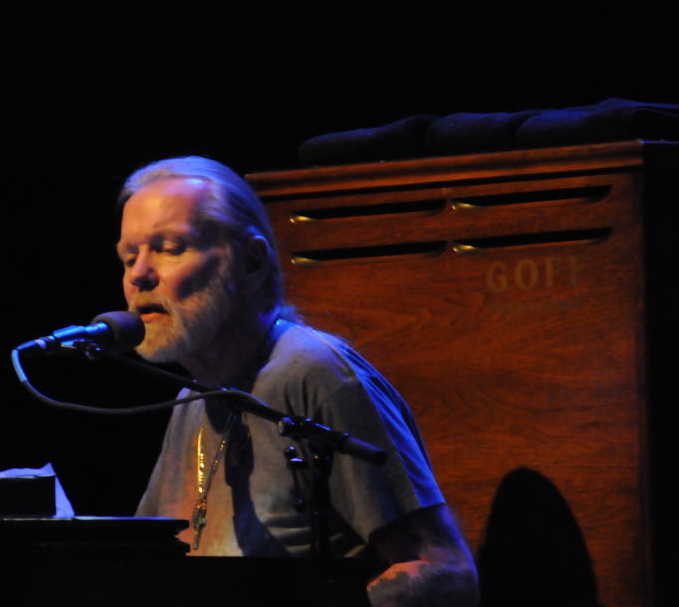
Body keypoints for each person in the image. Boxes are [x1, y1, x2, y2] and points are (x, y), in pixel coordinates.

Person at [117, 156, 479, 606]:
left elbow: (445, 572)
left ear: (251, 263)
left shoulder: (316, 373)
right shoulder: (192, 398)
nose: (139, 274)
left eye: (170, 248)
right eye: (128, 257)